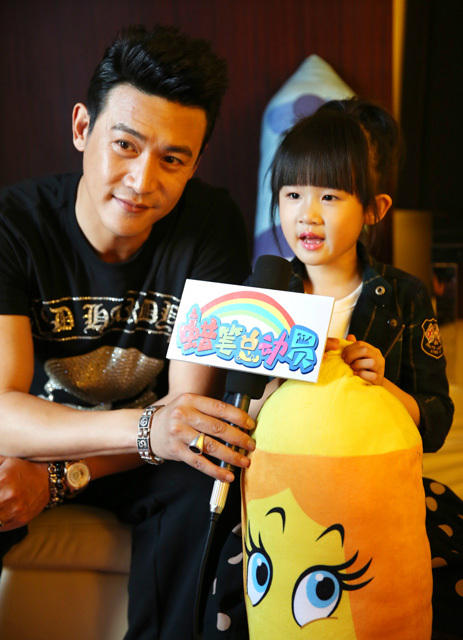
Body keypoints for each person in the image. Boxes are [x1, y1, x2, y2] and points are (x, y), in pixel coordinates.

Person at [0, 24, 256, 639]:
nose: (143, 181)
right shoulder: (14, 225)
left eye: (173, 159)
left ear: (195, 163)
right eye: (125, 145)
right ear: (82, 128)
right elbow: (3, 409)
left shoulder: (210, 225)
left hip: (141, 462)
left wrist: (61, 478)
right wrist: (143, 430)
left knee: (203, 480)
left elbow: (185, 421)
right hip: (41, 439)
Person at [204, 98, 456, 638]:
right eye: (292, 194)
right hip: (279, 500)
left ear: (374, 210)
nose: (307, 214)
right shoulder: (264, 295)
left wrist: (384, 385)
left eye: (330, 196)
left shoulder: (404, 297)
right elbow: (232, 416)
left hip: (372, 495)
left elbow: (436, 420)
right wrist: (270, 383)